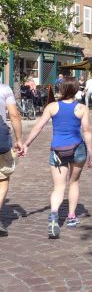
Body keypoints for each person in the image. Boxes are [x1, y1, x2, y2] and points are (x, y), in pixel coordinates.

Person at [21, 77, 92, 239]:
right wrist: (90, 152)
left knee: (58, 187)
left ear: (61, 89)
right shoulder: (82, 108)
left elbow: (38, 127)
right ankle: (71, 216)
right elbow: (87, 131)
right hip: (77, 149)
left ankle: (54, 213)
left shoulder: (52, 107)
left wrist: (26, 144)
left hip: (57, 151)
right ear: (76, 90)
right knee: (74, 182)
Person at [0, 82, 24, 236]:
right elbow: (14, 115)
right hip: (0, 140)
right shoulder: (4, 89)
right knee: (2, 179)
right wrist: (19, 139)